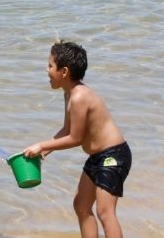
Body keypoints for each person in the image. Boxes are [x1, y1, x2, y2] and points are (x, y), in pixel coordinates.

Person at [22, 41, 131, 238]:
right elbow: (67, 130)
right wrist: (44, 153)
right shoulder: (69, 93)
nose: (46, 70)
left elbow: (75, 138)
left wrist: (41, 145)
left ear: (64, 72)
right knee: (81, 205)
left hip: (114, 155)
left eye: (50, 65)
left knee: (104, 212)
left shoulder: (80, 96)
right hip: (98, 156)